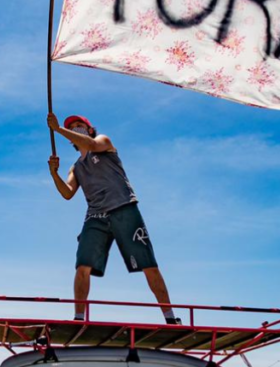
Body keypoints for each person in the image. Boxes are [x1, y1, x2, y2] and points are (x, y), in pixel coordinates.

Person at [46, 113, 180, 324]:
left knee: (148, 265)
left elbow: (91, 143)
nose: (77, 128)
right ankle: (79, 318)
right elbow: (67, 192)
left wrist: (59, 130)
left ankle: (170, 318)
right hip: (95, 216)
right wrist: (54, 174)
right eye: (73, 128)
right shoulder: (76, 167)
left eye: (80, 125)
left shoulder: (103, 142)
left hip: (123, 208)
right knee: (82, 266)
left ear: (89, 129)